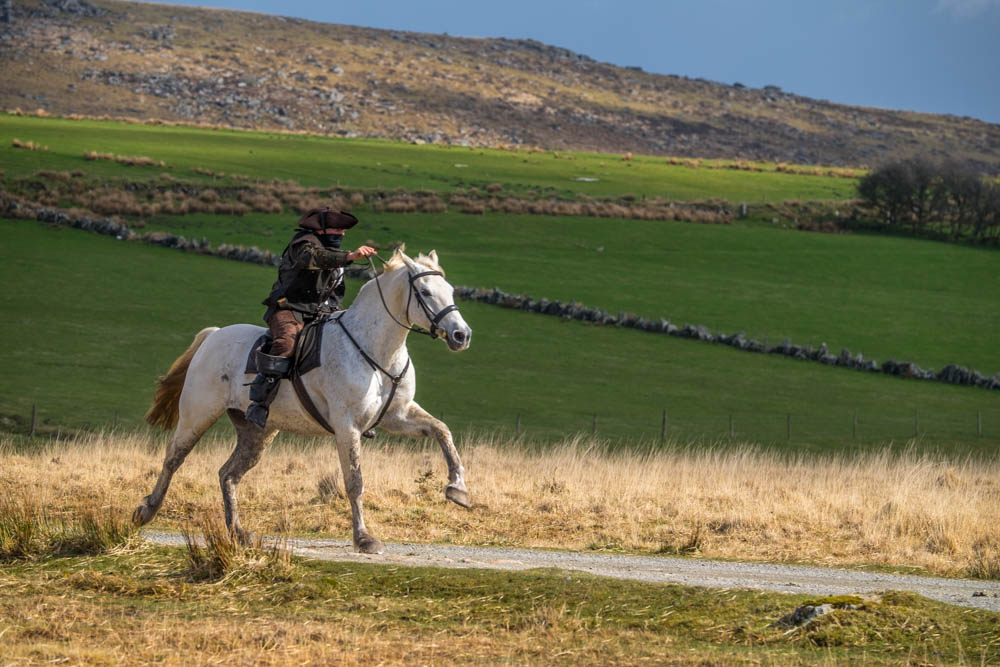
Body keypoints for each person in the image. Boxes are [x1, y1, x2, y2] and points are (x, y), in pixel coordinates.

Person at [245, 207, 376, 429]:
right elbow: (315, 258)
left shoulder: (332, 251)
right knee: (287, 341)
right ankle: (259, 401)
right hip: (289, 307)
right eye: (336, 229)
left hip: (323, 312)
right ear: (322, 230)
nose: (341, 234)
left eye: (343, 231)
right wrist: (350, 256)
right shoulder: (303, 244)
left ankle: (359, 409)